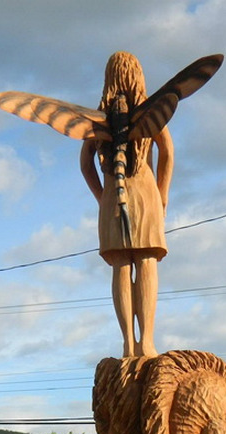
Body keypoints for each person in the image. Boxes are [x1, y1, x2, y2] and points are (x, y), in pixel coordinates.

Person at [80, 51, 174, 359]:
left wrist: (101, 197)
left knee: (121, 264)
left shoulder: (98, 118)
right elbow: (167, 153)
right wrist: (162, 193)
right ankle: (146, 342)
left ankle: (128, 344)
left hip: (112, 197)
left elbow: (85, 165)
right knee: (145, 260)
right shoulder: (148, 112)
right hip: (143, 191)